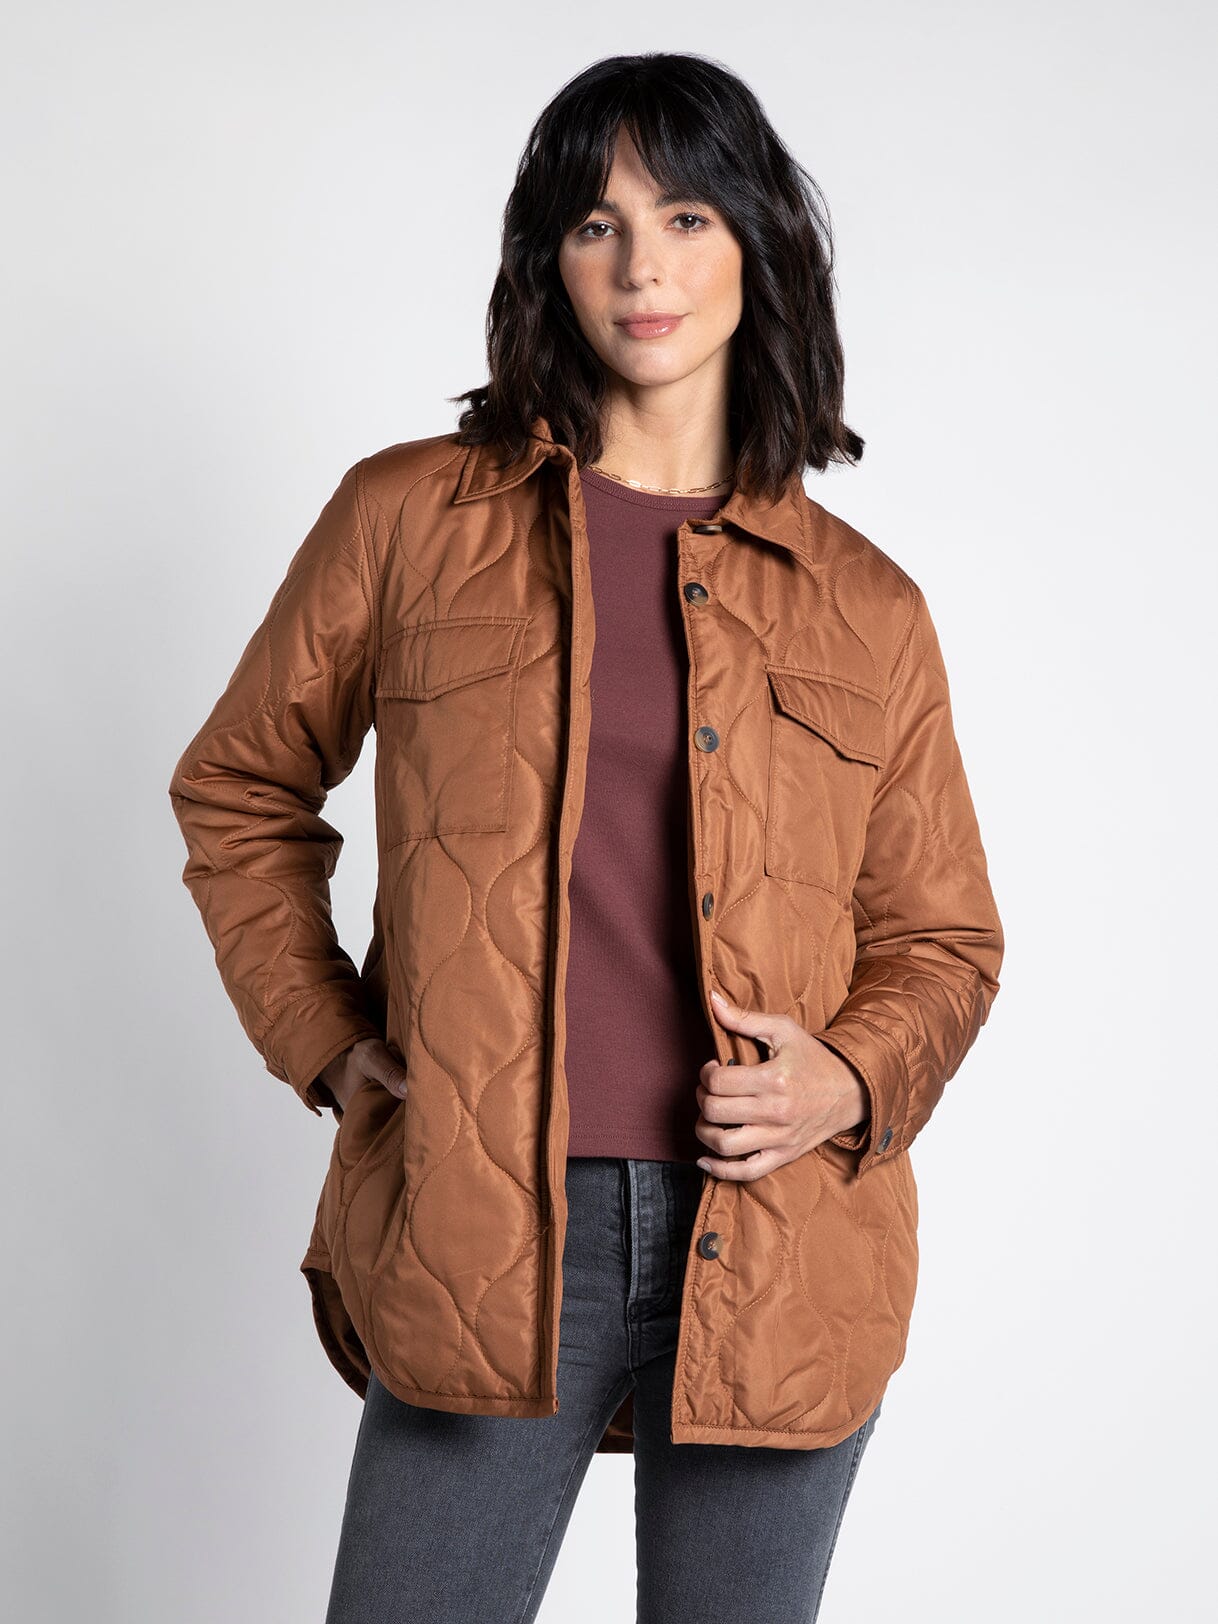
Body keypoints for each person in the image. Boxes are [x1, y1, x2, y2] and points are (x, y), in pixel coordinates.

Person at [168, 52, 1004, 1624]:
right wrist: (326, 1041)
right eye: (595, 223)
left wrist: (847, 1076)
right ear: (547, 258)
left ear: (756, 245)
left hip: (782, 1245)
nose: (640, 267)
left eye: (684, 217)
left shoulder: (867, 607)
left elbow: (942, 939)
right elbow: (240, 788)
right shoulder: (407, 520)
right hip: (483, 1223)